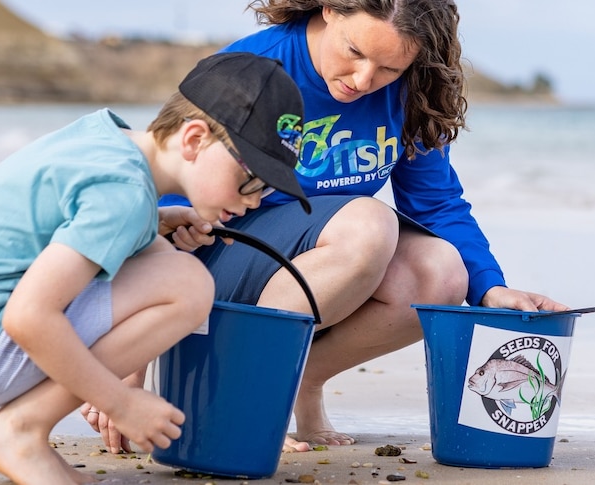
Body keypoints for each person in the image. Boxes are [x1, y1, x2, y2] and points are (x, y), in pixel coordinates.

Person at [90, 0, 569, 455]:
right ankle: (242, 399)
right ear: (329, 9)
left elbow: (437, 203)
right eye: (355, 52)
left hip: (310, 264)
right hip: (207, 266)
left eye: (389, 69)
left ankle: (298, 380)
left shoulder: (412, 92)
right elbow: (170, 185)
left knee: (441, 274)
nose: (364, 80)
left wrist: (490, 287)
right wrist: (130, 363)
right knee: (368, 224)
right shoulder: (253, 69)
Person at [0, 52, 308, 484]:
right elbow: (28, 316)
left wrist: (151, 226)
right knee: (187, 285)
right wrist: (120, 402)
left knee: (165, 263)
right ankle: (18, 431)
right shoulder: (125, 193)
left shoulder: (106, 142)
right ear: (193, 140)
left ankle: (19, 431)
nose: (257, 198)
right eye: (252, 179)